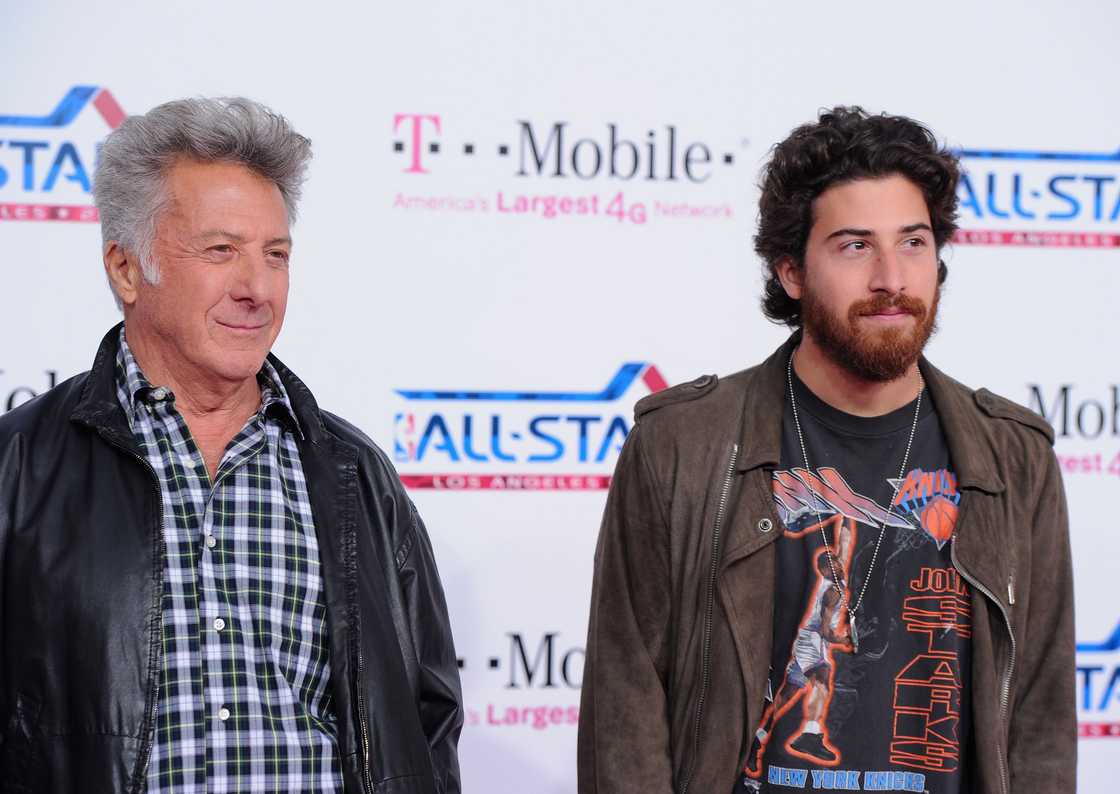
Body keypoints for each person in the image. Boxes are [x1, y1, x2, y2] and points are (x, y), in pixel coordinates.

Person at [578, 106, 1075, 794]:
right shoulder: (680, 447)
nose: (891, 279)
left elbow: (1041, 722)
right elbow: (623, 714)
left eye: (914, 243)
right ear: (791, 271)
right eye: (853, 246)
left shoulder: (1013, 458)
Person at [0, 97, 462, 793]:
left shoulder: (352, 473)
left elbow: (426, 723)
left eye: (275, 256)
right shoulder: (19, 468)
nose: (256, 289)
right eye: (221, 251)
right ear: (126, 270)